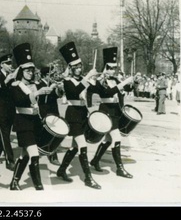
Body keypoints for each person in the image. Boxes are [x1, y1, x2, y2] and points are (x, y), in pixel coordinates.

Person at [55, 41, 101, 189]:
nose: (79, 69)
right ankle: (88, 178)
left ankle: (61, 170)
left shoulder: (82, 80)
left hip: (82, 114)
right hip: (73, 115)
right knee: (82, 146)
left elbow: (96, 90)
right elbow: (74, 93)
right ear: (71, 68)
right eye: (75, 67)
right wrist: (88, 77)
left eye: (80, 66)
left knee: (74, 147)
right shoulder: (67, 81)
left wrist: (100, 78)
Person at [9, 43, 54, 191]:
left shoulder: (35, 84)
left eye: (31, 70)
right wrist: (37, 93)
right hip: (23, 123)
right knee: (34, 155)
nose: (30, 73)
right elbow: (19, 101)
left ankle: (14, 182)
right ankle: (38, 186)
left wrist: (51, 90)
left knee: (25, 155)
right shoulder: (15, 85)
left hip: (34, 123)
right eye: (27, 70)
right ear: (21, 71)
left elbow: (42, 103)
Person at [88, 47, 135, 179]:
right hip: (106, 112)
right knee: (116, 138)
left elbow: (127, 88)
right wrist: (123, 83)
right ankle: (120, 168)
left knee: (108, 140)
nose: (112, 71)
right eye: (109, 68)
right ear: (105, 68)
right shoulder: (100, 81)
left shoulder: (115, 80)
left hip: (115, 112)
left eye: (114, 68)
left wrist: (132, 82)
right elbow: (107, 93)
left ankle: (95, 160)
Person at [36, 66, 64, 166]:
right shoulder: (39, 84)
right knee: (43, 133)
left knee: (54, 134)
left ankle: (52, 156)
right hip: (44, 111)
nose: (52, 77)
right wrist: (51, 87)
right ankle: (38, 151)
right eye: (50, 75)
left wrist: (60, 89)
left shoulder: (53, 84)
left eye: (53, 75)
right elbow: (41, 98)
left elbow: (59, 96)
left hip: (54, 110)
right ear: (45, 75)